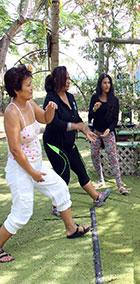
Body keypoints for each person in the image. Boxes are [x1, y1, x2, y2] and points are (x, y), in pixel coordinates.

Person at [0, 65, 90, 263]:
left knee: (60, 188)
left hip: (35, 165)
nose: (33, 88)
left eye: (32, 84)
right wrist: (32, 172)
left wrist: (50, 111)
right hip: (20, 169)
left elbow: (45, 119)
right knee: (23, 211)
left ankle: (71, 229)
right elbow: (15, 149)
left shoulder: (30, 104)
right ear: (17, 90)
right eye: (29, 85)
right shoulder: (12, 113)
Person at [43, 66, 111, 217]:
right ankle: (56, 206)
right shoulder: (51, 99)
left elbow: (77, 119)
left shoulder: (71, 97)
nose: (68, 81)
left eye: (69, 78)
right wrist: (77, 126)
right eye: (65, 78)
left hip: (68, 142)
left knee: (80, 168)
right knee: (64, 172)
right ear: (56, 80)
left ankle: (97, 197)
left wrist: (86, 130)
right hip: (53, 143)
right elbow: (54, 123)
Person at [88, 73, 129, 195]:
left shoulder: (114, 100)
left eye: (109, 82)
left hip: (108, 132)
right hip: (96, 132)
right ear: (100, 84)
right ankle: (101, 180)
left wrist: (109, 130)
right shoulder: (95, 98)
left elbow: (115, 120)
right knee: (94, 155)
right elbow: (90, 117)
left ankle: (120, 185)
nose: (107, 85)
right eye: (104, 82)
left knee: (113, 157)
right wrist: (94, 109)